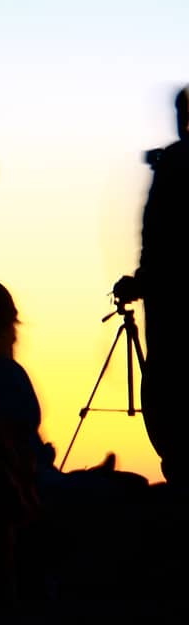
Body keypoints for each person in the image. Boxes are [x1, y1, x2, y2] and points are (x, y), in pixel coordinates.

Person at [117, 87, 189, 482]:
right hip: (168, 300)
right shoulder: (173, 163)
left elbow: (159, 239)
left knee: (169, 395)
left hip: (171, 311)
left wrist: (144, 281)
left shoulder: (175, 165)